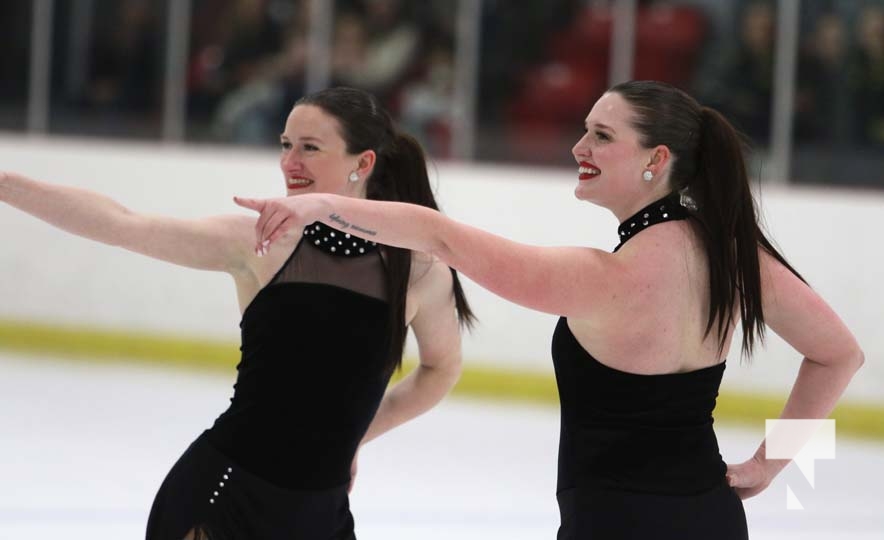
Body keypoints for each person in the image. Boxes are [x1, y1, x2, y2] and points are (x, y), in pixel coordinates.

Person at [235, 80, 864, 539]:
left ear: (656, 160)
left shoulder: (602, 278)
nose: (577, 147)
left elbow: (440, 236)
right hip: (712, 519)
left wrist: (320, 207)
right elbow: (839, 354)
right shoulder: (735, 256)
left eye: (602, 136)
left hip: (612, 525)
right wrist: (770, 464)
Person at [0, 86, 474, 539]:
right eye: (286, 145)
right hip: (224, 495)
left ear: (363, 162)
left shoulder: (417, 269)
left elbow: (440, 367)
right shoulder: (259, 243)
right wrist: (6, 184)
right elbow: (123, 224)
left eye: (310, 148)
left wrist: (356, 437)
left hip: (321, 515)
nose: (290, 163)